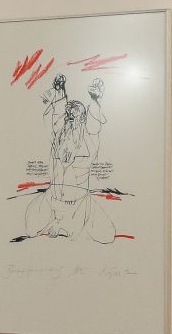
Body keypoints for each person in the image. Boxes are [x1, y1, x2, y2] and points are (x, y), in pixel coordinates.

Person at [22, 75, 114, 243]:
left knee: (106, 236)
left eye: (74, 116)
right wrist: (60, 91)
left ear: (83, 119)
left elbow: (94, 126)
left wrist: (94, 99)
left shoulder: (89, 141)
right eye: (68, 115)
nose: (69, 118)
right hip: (52, 200)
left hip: (79, 204)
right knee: (30, 229)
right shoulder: (58, 136)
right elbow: (57, 115)